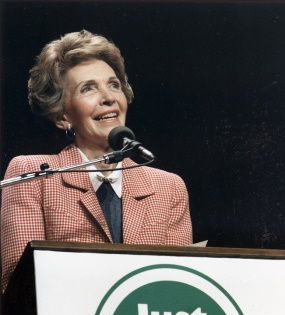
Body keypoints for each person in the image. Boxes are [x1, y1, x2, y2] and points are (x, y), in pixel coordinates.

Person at [0, 29, 193, 292]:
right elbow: (19, 284)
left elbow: (179, 287)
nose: (108, 98)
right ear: (62, 115)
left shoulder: (168, 188)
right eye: (88, 88)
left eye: (114, 85)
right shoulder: (33, 174)